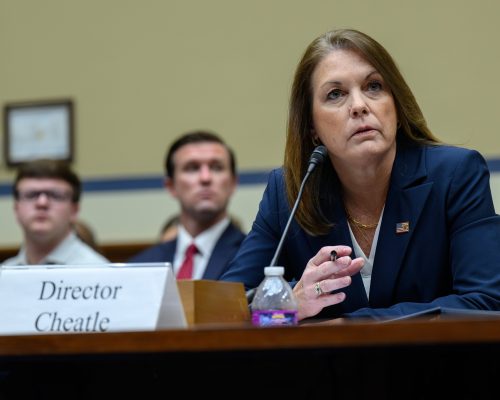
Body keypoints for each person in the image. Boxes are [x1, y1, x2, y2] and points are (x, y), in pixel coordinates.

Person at [221, 28, 500, 321]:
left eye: (374, 86)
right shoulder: (289, 191)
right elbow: (225, 306)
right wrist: (289, 299)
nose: (359, 106)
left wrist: (351, 325)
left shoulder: (454, 174)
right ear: (312, 128)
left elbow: (486, 301)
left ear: (396, 103)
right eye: (336, 94)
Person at [129, 130, 246, 280]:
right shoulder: (142, 266)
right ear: (170, 186)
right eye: (192, 168)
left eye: (216, 167)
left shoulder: (257, 258)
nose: (205, 178)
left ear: (233, 183)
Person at [2, 159, 109, 266]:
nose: (42, 203)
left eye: (55, 195)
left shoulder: (98, 272)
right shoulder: (4, 273)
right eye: (31, 195)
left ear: (74, 210)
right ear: (16, 208)